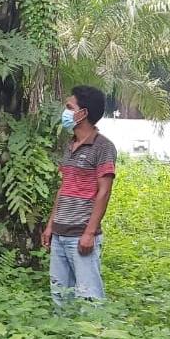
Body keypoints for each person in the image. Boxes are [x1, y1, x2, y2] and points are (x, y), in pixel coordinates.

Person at [42, 85, 117, 308]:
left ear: (82, 113)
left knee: (88, 297)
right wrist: (50, 226)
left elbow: (104, 192)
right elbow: (64, 188)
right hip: (60, 233)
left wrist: (89, 233)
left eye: (69, 107)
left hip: (80, 235)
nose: (64, 112)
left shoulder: (103, 147)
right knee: (60, 296)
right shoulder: (70, 146)